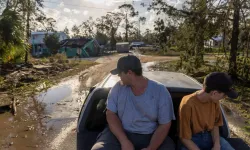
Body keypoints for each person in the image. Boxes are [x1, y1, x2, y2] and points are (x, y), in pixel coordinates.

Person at [91, 55, 176, 150]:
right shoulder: (118, 88)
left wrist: (151, 148)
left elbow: (165, 124)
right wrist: (124, 141)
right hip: (121, 133)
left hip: (151, 135)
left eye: (120, 74)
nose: (119, 77)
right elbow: (110, 114)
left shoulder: (160, 91)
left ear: (129, 73)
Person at [179, 72, 238, 150]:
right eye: (224, 95)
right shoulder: (187, 104)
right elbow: (184, 138)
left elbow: (215, 124)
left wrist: (217, 145)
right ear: (214, 93)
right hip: (191, 140)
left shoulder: (215, 101)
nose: (225, 97)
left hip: (210, 136)